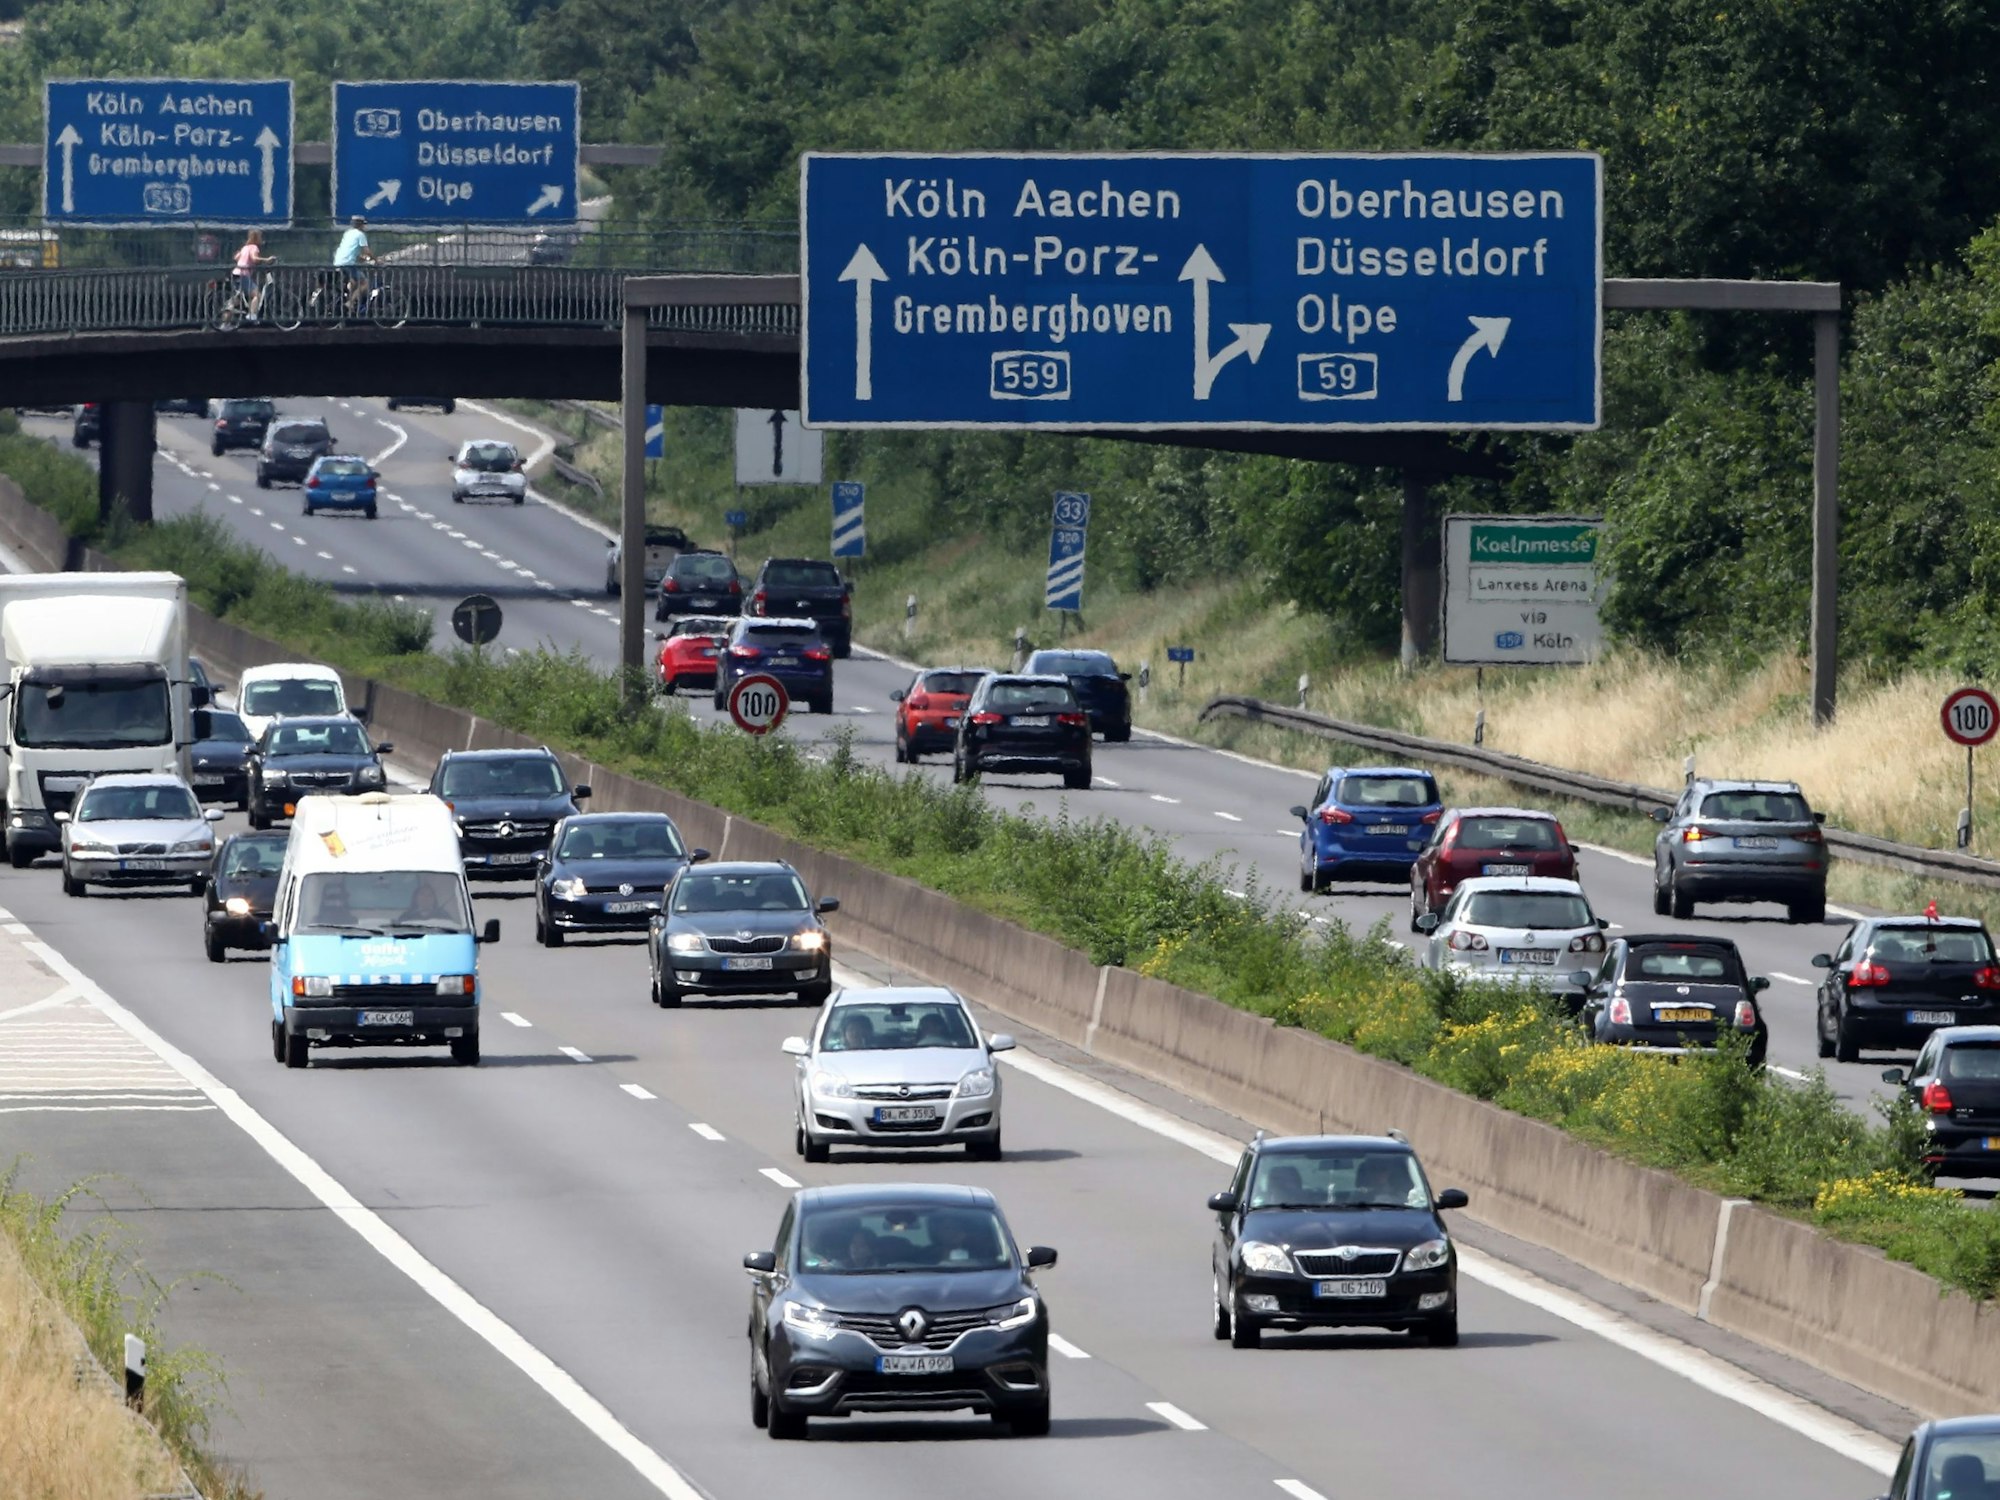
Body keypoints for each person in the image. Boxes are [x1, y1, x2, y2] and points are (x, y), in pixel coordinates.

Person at [333, 215, 374, 312]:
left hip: (338, 262)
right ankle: (350, 302)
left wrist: (361, 258)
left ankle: (348, 303)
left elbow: (350, 251)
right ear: (361, 225)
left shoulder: (347, 233)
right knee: (364, 283)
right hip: (348, 263)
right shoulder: (360, 234)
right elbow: (367, 251)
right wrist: (376, 260)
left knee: (353, 281)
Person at [232, 229, 274, 320]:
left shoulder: (245, 247)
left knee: (239, 298)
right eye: (260, 237)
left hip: (236, 273)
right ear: (256, 238)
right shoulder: (254, 247)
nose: (261, 239)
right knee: (256, 295)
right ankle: (252, 315)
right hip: (243, 274)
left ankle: (226, 317)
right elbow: (254, 258)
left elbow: (236, 257)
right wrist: (267, 260)